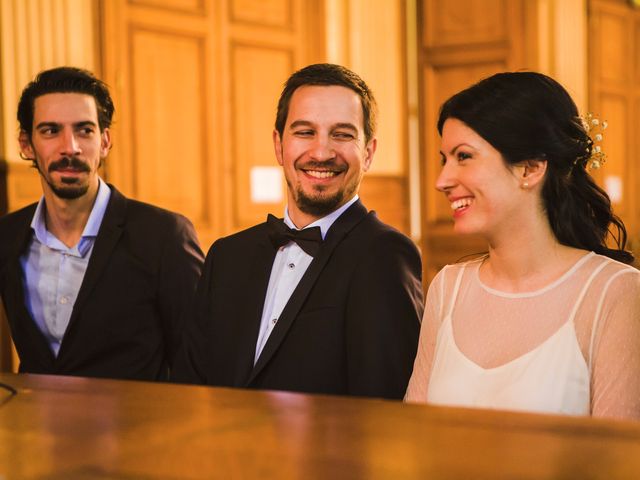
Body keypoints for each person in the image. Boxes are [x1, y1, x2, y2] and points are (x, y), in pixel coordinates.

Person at [173, 63, 423, 398]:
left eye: (342, 134)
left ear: (368, 152)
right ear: (279, 145)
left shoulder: (386, 255)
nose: (321, 152)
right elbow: (190, 388)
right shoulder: (226, 256)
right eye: (305, 132)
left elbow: (385, 408)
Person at [405, 71, 640, 419]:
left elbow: (618, 461)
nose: (442, 180)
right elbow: (414, 433)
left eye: (464, 156)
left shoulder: (613, 292)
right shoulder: (448, 288)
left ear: (530, 169)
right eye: (444, 159)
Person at [0, 66, 204, 380]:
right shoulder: (7, 237)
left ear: (105, 141)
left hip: (139, 427)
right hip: (35, 427)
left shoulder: (165, 236)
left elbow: (196, 361)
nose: (70, 147)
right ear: (26, 145)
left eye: (84, 130)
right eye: (51, 131)